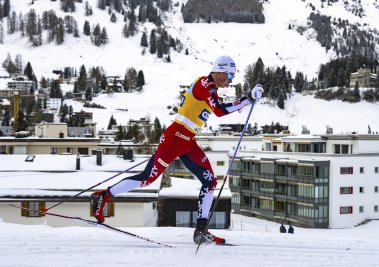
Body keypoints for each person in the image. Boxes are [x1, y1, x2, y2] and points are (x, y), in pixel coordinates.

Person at [90, 55, 264, 244]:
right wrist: (248, 99)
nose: (230, 81)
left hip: (187, 140)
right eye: (229, 76)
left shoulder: (210, 87)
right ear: (220, 71)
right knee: (147, 178)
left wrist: (247, 99)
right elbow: (220, 111)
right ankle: (102, 197)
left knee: (210, 181)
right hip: (175, 138)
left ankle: (201, 230)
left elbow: (220, 107)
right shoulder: (205, 85)